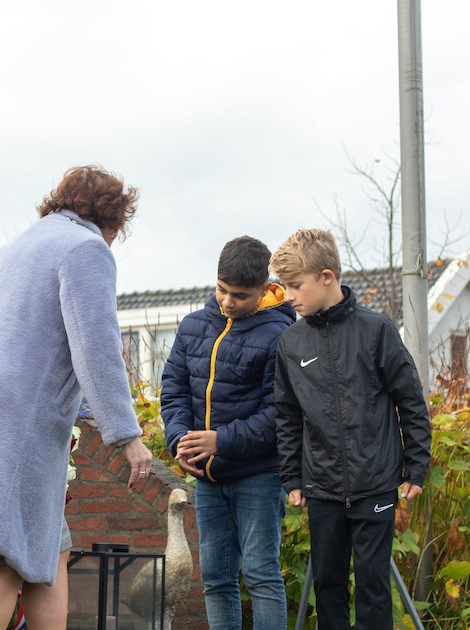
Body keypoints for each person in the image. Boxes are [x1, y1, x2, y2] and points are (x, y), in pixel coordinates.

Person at [0, 165, 154, 629]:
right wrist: (126, 434)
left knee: (49, 558)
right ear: (111, 219)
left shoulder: (7, 251)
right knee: (5, 566)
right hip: (10, 425)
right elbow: (97, 348)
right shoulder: (85, 249)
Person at [271, 228, 431, 629]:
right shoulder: (290, 344)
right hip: (321, 487)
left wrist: (416, 465)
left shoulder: (377, 331)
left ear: (327, 277)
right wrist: (292, 477)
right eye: (285, 286)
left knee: (374, 586)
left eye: (295, 285)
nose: (289, 296)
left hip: (375, 483)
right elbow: (287, 415)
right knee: (328, 584)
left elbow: (410, 400)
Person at [161, 236, 295, 628]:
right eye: (221, 290)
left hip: (259, 475)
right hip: (208, 477)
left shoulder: (281, 335)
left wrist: (222, 440)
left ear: (263, 289)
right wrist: (179, 441)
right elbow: (174, 390)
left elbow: (280, 413)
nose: (227, 301)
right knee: (216, 579)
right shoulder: (193, 327)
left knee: (261, 574)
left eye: (239, 295)